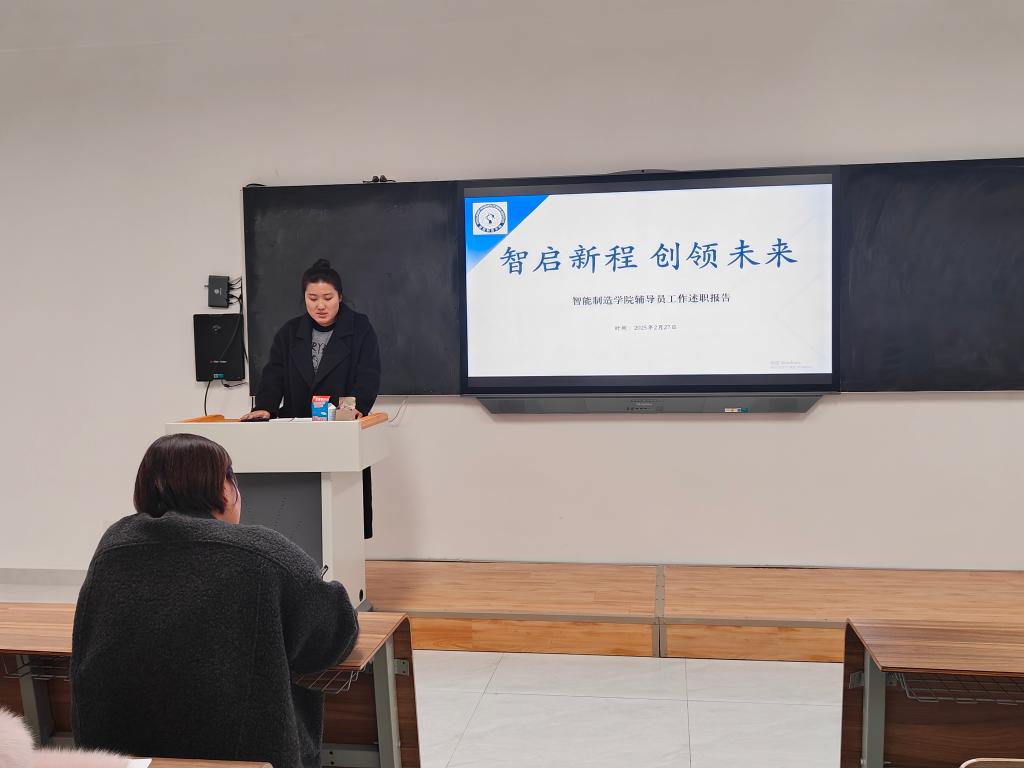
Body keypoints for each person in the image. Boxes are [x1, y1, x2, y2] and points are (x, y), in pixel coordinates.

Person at [70, 434, 359, 768]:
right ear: (224, 488)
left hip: (119, 757)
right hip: (243, 757)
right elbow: (334, 635)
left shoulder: (114, 545)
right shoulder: (262, 551)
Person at [242, 258, 381, 537]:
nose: (320, 305)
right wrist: (265, 407)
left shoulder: (359, 328)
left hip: (340, 429)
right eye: (313, 298)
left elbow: (368, 375)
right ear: (304, 298)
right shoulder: (290, 332)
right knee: (297, 512)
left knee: (342, 513)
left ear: (340, 296)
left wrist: (355, 409)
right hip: (299, 430)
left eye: (328, 298)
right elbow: (274, 374)